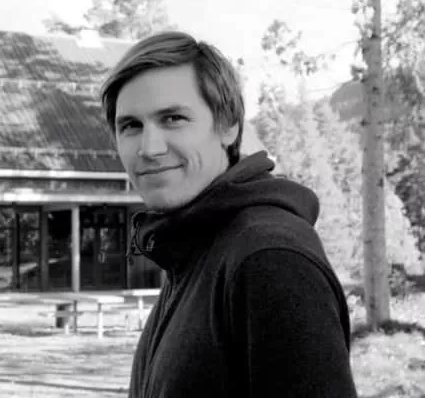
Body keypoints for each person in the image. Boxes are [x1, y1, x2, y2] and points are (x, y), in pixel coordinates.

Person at [100, 31, 358, 397]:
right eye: (131, 126)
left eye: (173, 118)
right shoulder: (193, 246)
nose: (149, 148)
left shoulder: (268, 259)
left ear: (228, 126)